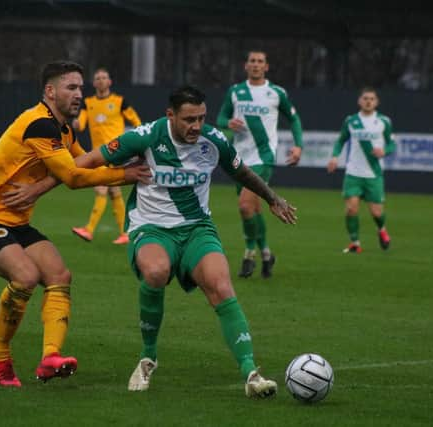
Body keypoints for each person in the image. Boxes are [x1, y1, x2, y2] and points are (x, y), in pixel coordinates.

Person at [74, 85, 297, 398]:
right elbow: (87, 161)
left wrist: (272, 198)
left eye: (201, 118)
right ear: (170, 115)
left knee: (222, 285)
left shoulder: (213, 139)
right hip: (151, 227)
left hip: (197, 229)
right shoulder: (146, 136)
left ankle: (251, 373)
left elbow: (241, 172)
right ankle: (147, 358)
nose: (196, 126)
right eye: (189, 119)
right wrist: (37, 183)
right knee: (155, 272)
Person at [0, 60, 150, 388]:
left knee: (60, 275)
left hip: (16, 222)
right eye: (71, 87)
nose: (79, 94)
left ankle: (50, 357)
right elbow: (74, 176)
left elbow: (83, 161)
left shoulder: (62, 129)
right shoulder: (39, 124)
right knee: (26, 277)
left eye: (80, 88)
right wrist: (125, 174)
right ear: (50, 91)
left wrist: (129, 154)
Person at [217, 50, 303, 279]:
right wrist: (229, 122)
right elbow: (220, 118)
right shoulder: (235, 91)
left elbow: (293, 118)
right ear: (246, 66)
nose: (256, 65)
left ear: (267, 67)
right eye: (252, 61)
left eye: (260, 61)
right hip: (238, 158)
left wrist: (298, 145)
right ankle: (266, 254)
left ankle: (249, 254)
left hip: (263, 157)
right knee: (253, 209)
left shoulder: (276, 93)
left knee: (245, 206)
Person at [71, 68, 142, 244]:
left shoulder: (119, 102)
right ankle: (125, 233)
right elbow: (81, 124)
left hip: (116, 153)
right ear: (94, 83)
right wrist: (75, 123)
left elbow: (136, 122)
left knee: (101, 188)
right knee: (114, 193)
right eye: (98, 78)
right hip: (99, 154)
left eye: (104, 77)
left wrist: (135, 141)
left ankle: (88, 230)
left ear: (109, 82)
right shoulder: (88, 103)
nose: (101, 80)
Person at [327, 86, 396, 253]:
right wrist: (335, 156)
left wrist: (384, 151)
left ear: (376, 102)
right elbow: (341, 140)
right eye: (365, 98)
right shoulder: (351, 121)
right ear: (359, 101)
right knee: (351, 208)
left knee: (377, 213)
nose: (368, 101)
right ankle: (355, 243)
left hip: (374, 174)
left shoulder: (383, 121)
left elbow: (392, 144)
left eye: (371, 99)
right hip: (353, 173)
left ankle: (382, 230)